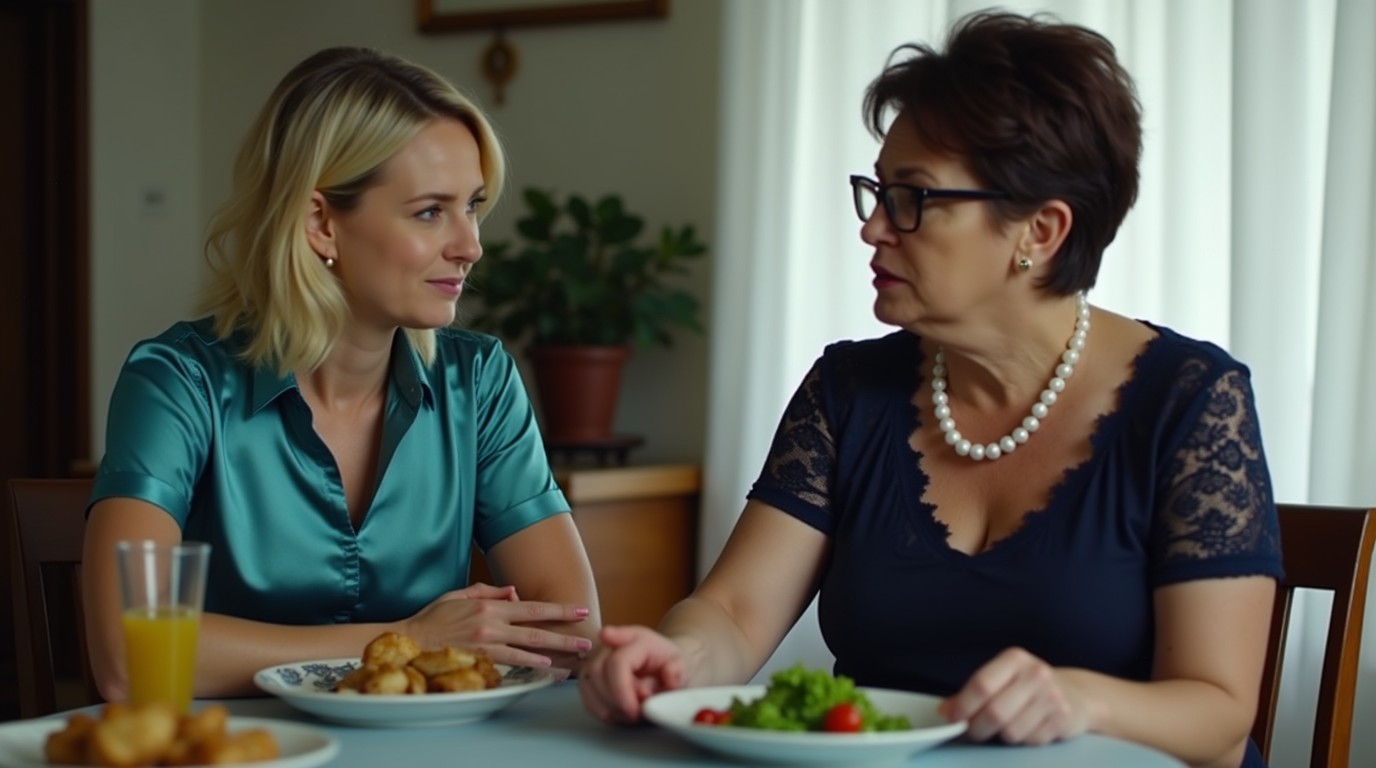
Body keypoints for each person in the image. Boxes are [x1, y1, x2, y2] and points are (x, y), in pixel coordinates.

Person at [579, 12, 1281, 768]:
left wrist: (1085, 700)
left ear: (1040, 231)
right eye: (877, 191)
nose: (874, 228)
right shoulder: (847, 390)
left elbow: (1218, 713)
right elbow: (735, 612)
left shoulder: (1192, 401)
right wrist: (679, 657)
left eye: (912, 197)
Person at [83, 47, 600, 699]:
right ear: (322, 223)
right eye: (430, 211)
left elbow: (571, 632)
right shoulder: (175, 381)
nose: (470, 245)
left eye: (472, 205)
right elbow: (129, 657)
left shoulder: (480, 381)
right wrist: (409, 639)